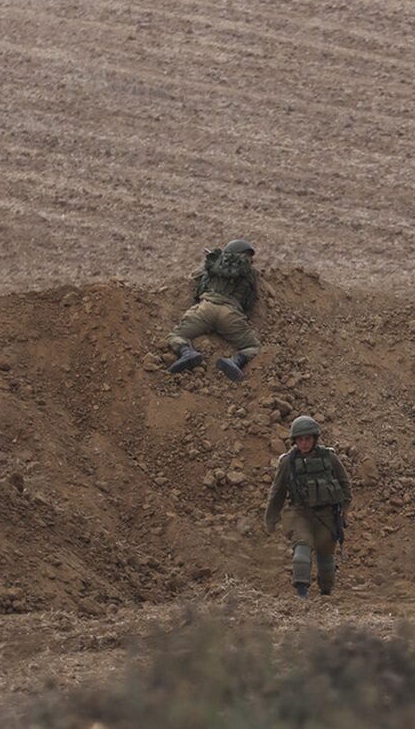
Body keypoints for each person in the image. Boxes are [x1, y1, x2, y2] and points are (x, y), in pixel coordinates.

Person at [264, 416, 352, 599]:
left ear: (314, 438)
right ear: (295, 441)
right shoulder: (288, 462)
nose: (304, 443)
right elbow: (277, 492)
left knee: (326, 558)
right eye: (300, 439)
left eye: (307, 439)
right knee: (301, 553)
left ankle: (325, 594)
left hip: (326, 516)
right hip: (300, 514)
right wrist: (271, 518)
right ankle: (301, 595)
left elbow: (345, 484)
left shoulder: (329, 457)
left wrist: (344, 508)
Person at [165, 239, 260, 382]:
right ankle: (235, 361)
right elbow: (251, 300)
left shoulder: (215, 265)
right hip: (231, 315)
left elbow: (196, 278)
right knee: (252, 347)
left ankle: (187, 353)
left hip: (205, 308)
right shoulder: (251, 273)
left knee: (177, 335)